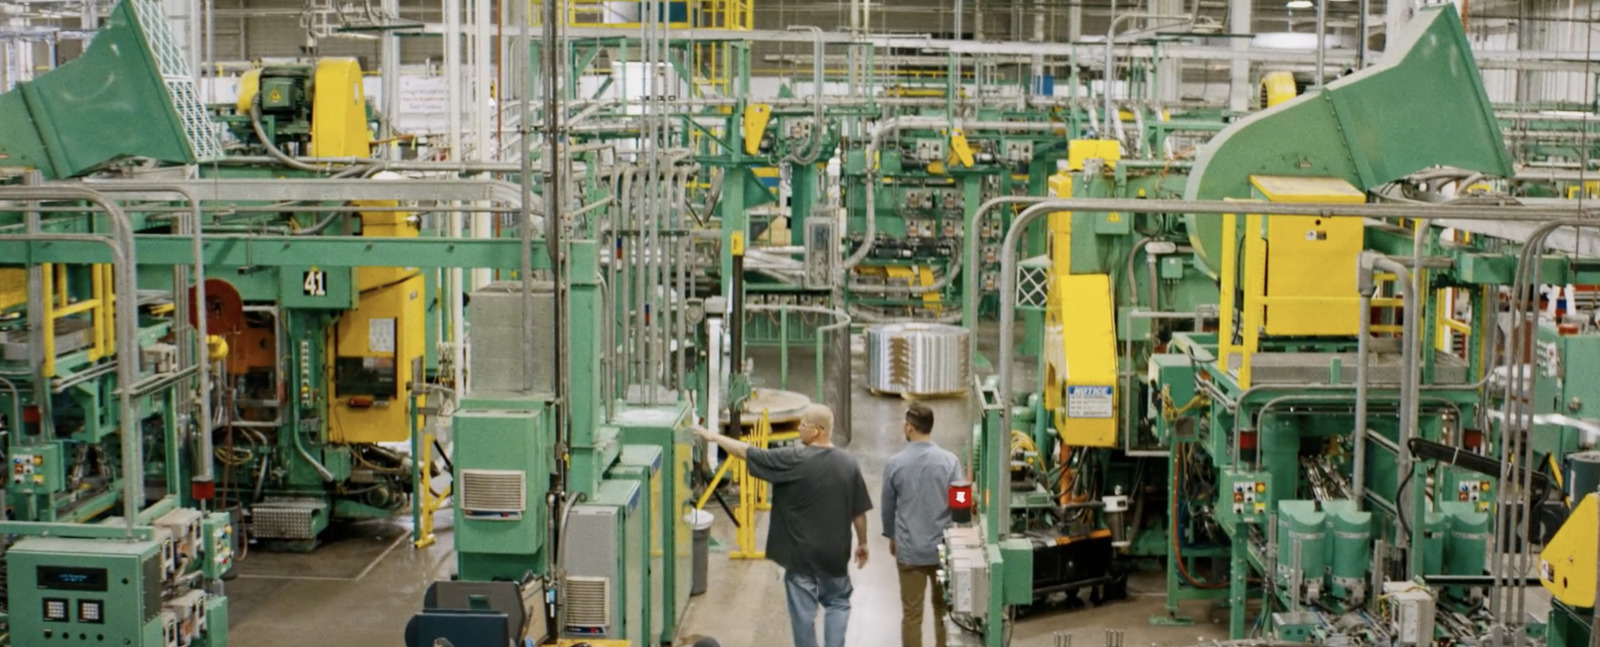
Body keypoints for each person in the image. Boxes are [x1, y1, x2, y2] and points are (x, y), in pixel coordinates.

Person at [693, 404, 871, 647]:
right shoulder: (849, 464)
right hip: (835, 559)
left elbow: (748, 452)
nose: (799, 428)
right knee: (838, 604)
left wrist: (713, 437)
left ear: (817, 431)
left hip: (801, 560)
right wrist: (862, 543)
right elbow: (859, 512)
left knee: (803, 618)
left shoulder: (793, 460)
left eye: (804, 424)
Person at [881, 402, 961, 647]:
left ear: (909, 427)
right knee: (942, 611)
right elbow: (961, 501)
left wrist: (892, 535)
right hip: (943, 552)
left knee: (912, 615)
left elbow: (887, 507)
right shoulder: (950, 462)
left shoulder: (895, 464)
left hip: (909, 552)